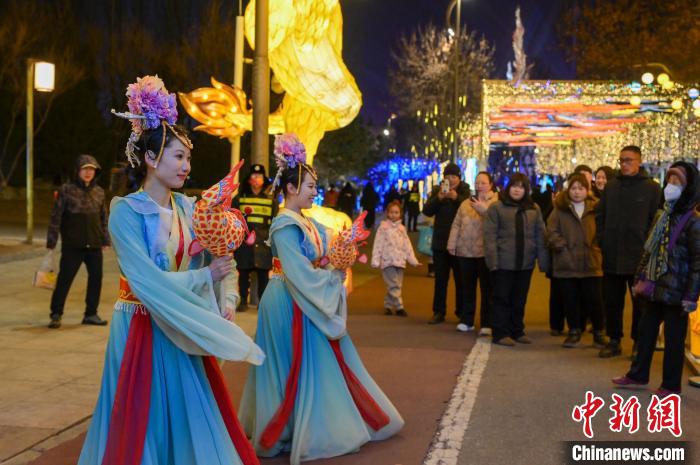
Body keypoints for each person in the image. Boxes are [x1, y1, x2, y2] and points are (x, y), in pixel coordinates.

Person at [79, 76, 263, 465]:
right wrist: (204, 279)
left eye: (188, 158)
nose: (187, 166)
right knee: (143, 419)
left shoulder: (189, 208)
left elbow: (216, 259)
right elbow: (145, 282)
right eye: (179, 156)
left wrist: (225, 297)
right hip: (140, 325)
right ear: (150, 158)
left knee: (188, 416)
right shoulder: (125, 211)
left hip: (182, 324)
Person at [239, 134, 403, 465]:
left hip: (301, 295)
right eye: (310, 186)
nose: (316, 191)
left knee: (308, 362)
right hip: (287, 298)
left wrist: (344, 250)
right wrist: (330, 276)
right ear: (289, 188)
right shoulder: (285, 224)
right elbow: (299, 272)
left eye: (315, 186)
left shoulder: (308, 222)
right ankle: (281, 431)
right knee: (287, 364)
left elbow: (329, 249)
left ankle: (302, 425)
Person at [612, 162, 700, 397]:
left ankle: (671, 385)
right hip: (654, 286)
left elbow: (697, 264)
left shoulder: (694, 221)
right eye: (670, 180)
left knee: (673, 341)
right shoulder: (663, 214)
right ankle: (637, 374)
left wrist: (691, 296)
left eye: (677, 182)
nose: (671, 186)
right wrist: (639, 275)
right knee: (645, 332)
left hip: (676, 291)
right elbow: (648, 250)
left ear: (689, 187)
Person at [596, 145, 662, 358]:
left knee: (640, 304)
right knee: (612, 301)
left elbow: (657, 220)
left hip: (639, 257)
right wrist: (603, 240)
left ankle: (638, 342)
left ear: (639, 161)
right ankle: (614, 339)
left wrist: (650, 248)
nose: (625, 164)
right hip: (612, 254)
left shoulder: (652, 188)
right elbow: (600, 216)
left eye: (629, 160)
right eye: (622, 160)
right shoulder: (612, 187)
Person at [484, 172, 549, 346]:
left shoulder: (534, 209)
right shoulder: (497, 208)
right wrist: (493, 262)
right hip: (503, 262)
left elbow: (540, 236)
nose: (517, 190)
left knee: (519, 299)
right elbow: (490, 237)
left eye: (521, 187)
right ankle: (500, 332)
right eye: (514, 186)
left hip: (525, 263)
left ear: (526, 190)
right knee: (501, 298)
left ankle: (517, 330)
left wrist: (543, 262)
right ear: (508, 188)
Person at [47, 154, 110, 329]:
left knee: (96, 279)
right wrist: (51, 243)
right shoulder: (66, 190)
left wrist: (105, 239)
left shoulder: (99, 192)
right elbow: (55, 218)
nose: (88, 172)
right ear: (78, 171)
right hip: (72, 245)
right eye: (85, 169)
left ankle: (91, 314)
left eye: (92, 169)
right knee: (65, 280)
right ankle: (56, 314)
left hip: (94, 245)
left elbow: (103, 217)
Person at [546, 173, 607, 348]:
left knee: (595, 300)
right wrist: (562, 247)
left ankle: (599, 332)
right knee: (570, 300)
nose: (577, 192)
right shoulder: (560, 209)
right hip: (567, 262)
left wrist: (597, 246)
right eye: (574, 188)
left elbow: (603, 230)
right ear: (568, 189)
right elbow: (550, 232)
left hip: (591, 261)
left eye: (581, 188)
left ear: (587, 190)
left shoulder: (596, 208)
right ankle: (574, 331)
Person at [447, 171, 498, 335]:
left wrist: (484, 210)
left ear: (490, 185)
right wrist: (452, 243)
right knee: (467, 288)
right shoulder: (466, 203)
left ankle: (487, 323)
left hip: (486, 252)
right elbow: (456, 224)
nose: (479, 186)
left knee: (487, 289)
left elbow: (499, 223)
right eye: (477, 183)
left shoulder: (497, 202)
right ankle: (466, 320)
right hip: (465, 251)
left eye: (483, 183)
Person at [422, 163, 471, 324]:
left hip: (459, 242)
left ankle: (461, 312)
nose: (450, 180)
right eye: (447, 177)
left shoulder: (465, 191)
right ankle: (438, 311)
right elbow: (427, 210)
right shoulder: (438, 190)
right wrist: (439, 199)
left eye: (453, 177)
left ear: (459, 178)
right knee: (440, 279)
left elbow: (470, 209)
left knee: (461, 280)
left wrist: (456, 198)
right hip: (440, 242)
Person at [232, 164, 278, 312]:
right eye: (254, 176)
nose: (256, 179)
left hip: (264, 243)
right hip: (244, 243)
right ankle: (243, 301)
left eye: (259, 176)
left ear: (264, 179)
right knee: (243, 273)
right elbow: (233, 220)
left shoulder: (272, 201)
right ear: (249, 179)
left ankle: (262, 303)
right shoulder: (239, 199)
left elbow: (275, 223)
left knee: (263, 274)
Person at [371, 200, 421, 316]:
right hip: (387, 262)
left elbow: (407, 246)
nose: (394, 215)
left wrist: (413, 260)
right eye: (392, 212)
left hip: (400, 262)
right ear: (387, 213)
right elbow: (378, 244)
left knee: (396, 285)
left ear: (401, 214)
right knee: (394, 285)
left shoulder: (402, 229)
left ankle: (388, 305)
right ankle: (399, 307)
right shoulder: (383, 228)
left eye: (396, 212)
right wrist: (375, 260)